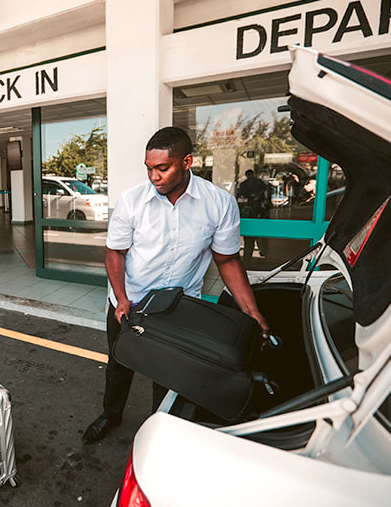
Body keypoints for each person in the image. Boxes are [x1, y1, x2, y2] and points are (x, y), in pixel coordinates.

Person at [82, 126, 270, 445]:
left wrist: (253, 313)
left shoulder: (218, 203)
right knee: (119, 365)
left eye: (162, 168)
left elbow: (227, 261)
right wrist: (122, 298)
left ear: (187, 162)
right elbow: (115, 252)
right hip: (131, 303)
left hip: (179, 309)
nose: (154, 177)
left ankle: (158, 435)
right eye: (149, 168)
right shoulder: (131, 201)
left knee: (171, 376)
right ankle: (110, 415)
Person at [237, 169, 269, 264]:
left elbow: (264, 190)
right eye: (248, 175)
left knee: (259, 237)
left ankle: (262, 252)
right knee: (249, 240)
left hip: (258, 210)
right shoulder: (244, 184)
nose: (250, 177)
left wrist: (258, 197)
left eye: (251, 175)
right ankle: (247, 258)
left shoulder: (259, 182)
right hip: (248, 212)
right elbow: (240, 194)